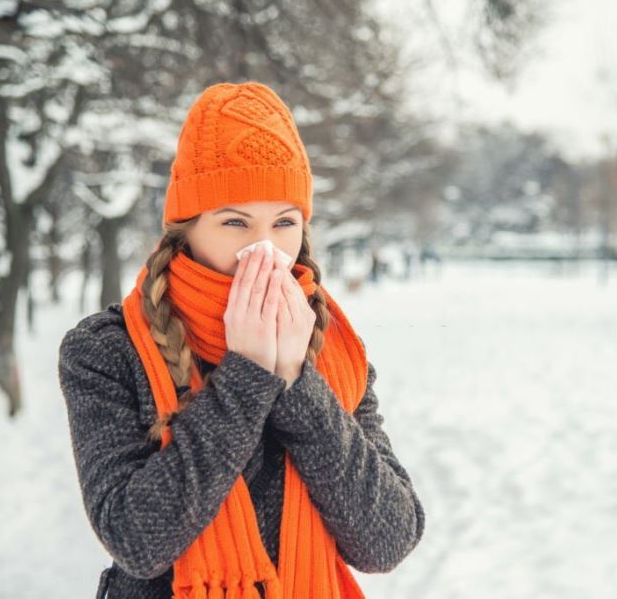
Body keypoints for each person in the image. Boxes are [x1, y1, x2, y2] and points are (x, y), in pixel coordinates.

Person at [57, 81, 425, 599]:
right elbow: (136, 540)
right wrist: (249, 374)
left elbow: (387, 541)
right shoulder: (107, 350)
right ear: (185, 229)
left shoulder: (335, 350)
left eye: (283, 223)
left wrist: (297, 382)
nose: (266, 250)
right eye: (235, 221)